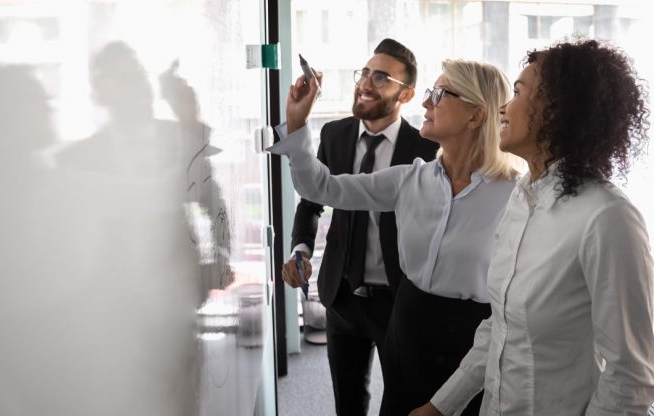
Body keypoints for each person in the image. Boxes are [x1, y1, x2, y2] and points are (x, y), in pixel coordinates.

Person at [410, 39, 654, 415]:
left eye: (518, 92)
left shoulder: (607, 218)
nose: (504, 108)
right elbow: (499, 328)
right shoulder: (522, 198)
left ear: (556, 110)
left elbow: (630, 379)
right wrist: (442, 406)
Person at [270, 57, 523, 414]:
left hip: (474, 340)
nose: (425, 102)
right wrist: (297, 122)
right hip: (409, 326)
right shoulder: (409, 180)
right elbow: (320, 187)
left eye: (439, 94)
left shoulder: (514, 194)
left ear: (476, 115)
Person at [280, 38, 439, 415]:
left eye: (381, 77)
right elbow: (312, 202)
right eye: (365, 73)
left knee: (403, 401)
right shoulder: (334, 134)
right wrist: (300, 249)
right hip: (342, 295)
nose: (366, 83)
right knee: (347, 404)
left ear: (407, 94)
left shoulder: (426, 149)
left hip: (399, 300)